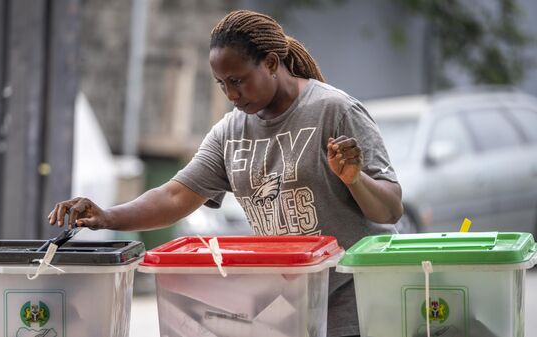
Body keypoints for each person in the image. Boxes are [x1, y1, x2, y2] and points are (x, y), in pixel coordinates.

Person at [49, 9, 403, 337]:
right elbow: (175, 195)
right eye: (222, 84)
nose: (231, 94)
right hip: (290, 310)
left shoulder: (333, 111)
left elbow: (389, 210)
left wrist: (354, 178)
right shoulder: (230, 132)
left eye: (238, 80)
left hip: (356, 308)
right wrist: (107, 216)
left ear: (271, 63)